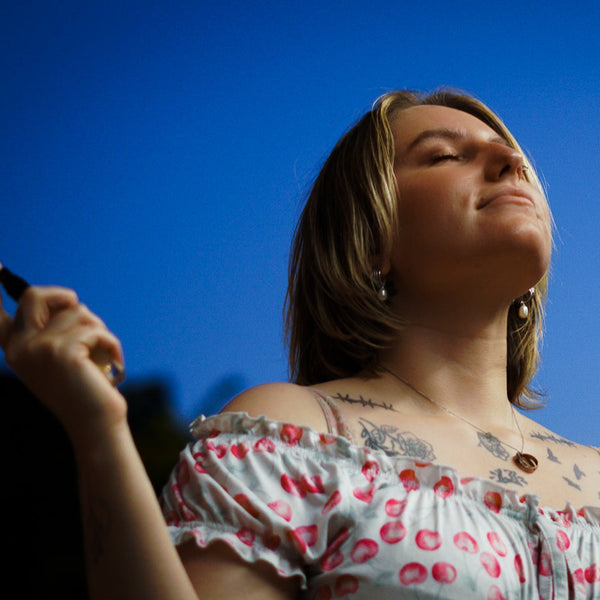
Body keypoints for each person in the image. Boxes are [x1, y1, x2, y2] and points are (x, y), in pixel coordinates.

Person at [1, 89, 598, 600]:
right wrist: (98, 427)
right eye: (445, 156)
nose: (510, 157)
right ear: (369, 241)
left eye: (512, 154)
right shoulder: (293, 433)